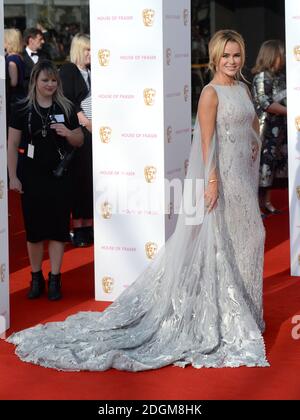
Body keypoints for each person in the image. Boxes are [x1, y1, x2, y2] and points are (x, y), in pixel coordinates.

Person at [7, 30, 269, 371]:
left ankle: (247, 311)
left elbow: (248, 123)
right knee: (221, 246)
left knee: (249, 241)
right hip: (222, 179)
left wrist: (251, 140)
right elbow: (207, 142)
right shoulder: (210, 93)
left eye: (237, 55)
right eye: (226, 56)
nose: (232, 61)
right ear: (215, 57)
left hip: (244, 181)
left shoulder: (243, 88)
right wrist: (213, 180)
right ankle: (228, 317)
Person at [7, 60, 83, 301]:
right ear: (35, 82)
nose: (50, 84)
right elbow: (12, 144)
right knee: (35, 232)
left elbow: (80, 139)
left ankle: (55, 279)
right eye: (45, 80)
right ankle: (36, 277)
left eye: (53, 80)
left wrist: (68, 133)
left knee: (59, 230)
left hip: (60, 177)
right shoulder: (21, 108)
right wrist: (13, 176)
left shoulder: (67, 107)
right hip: (32, 178)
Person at [59, 33, 93, 247]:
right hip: (78, 133)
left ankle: (89, 225)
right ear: (79, 50)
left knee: (91, 179)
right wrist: (86, 122)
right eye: (88, 49)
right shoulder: (68, 70)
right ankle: (78, 228)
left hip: (95, 134)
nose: (91, 53)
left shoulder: (92, 71)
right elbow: (68, 102)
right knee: (79, 180)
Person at [252, 40, 287, 215]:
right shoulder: (261, 77)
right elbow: (265, 103)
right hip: (263, 130)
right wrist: (290, 111)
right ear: (272, 56)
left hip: (278, 130)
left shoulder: (281, 77)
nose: (285, 57)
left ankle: (266, 202)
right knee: (261, 166)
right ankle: (256, 206)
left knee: (271, 166)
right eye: (282, 54)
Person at [4, 28, 26, 122]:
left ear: (8, 42)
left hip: (14, 98)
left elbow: (13, 82)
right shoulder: (19, 57)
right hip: (19, 96)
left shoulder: (11, 59)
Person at [23, 28, 49, 93]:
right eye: (40, 39)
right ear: (31, 40)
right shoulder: (21, 57)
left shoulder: (46, 56)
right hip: (25, 95)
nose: (43, 41)